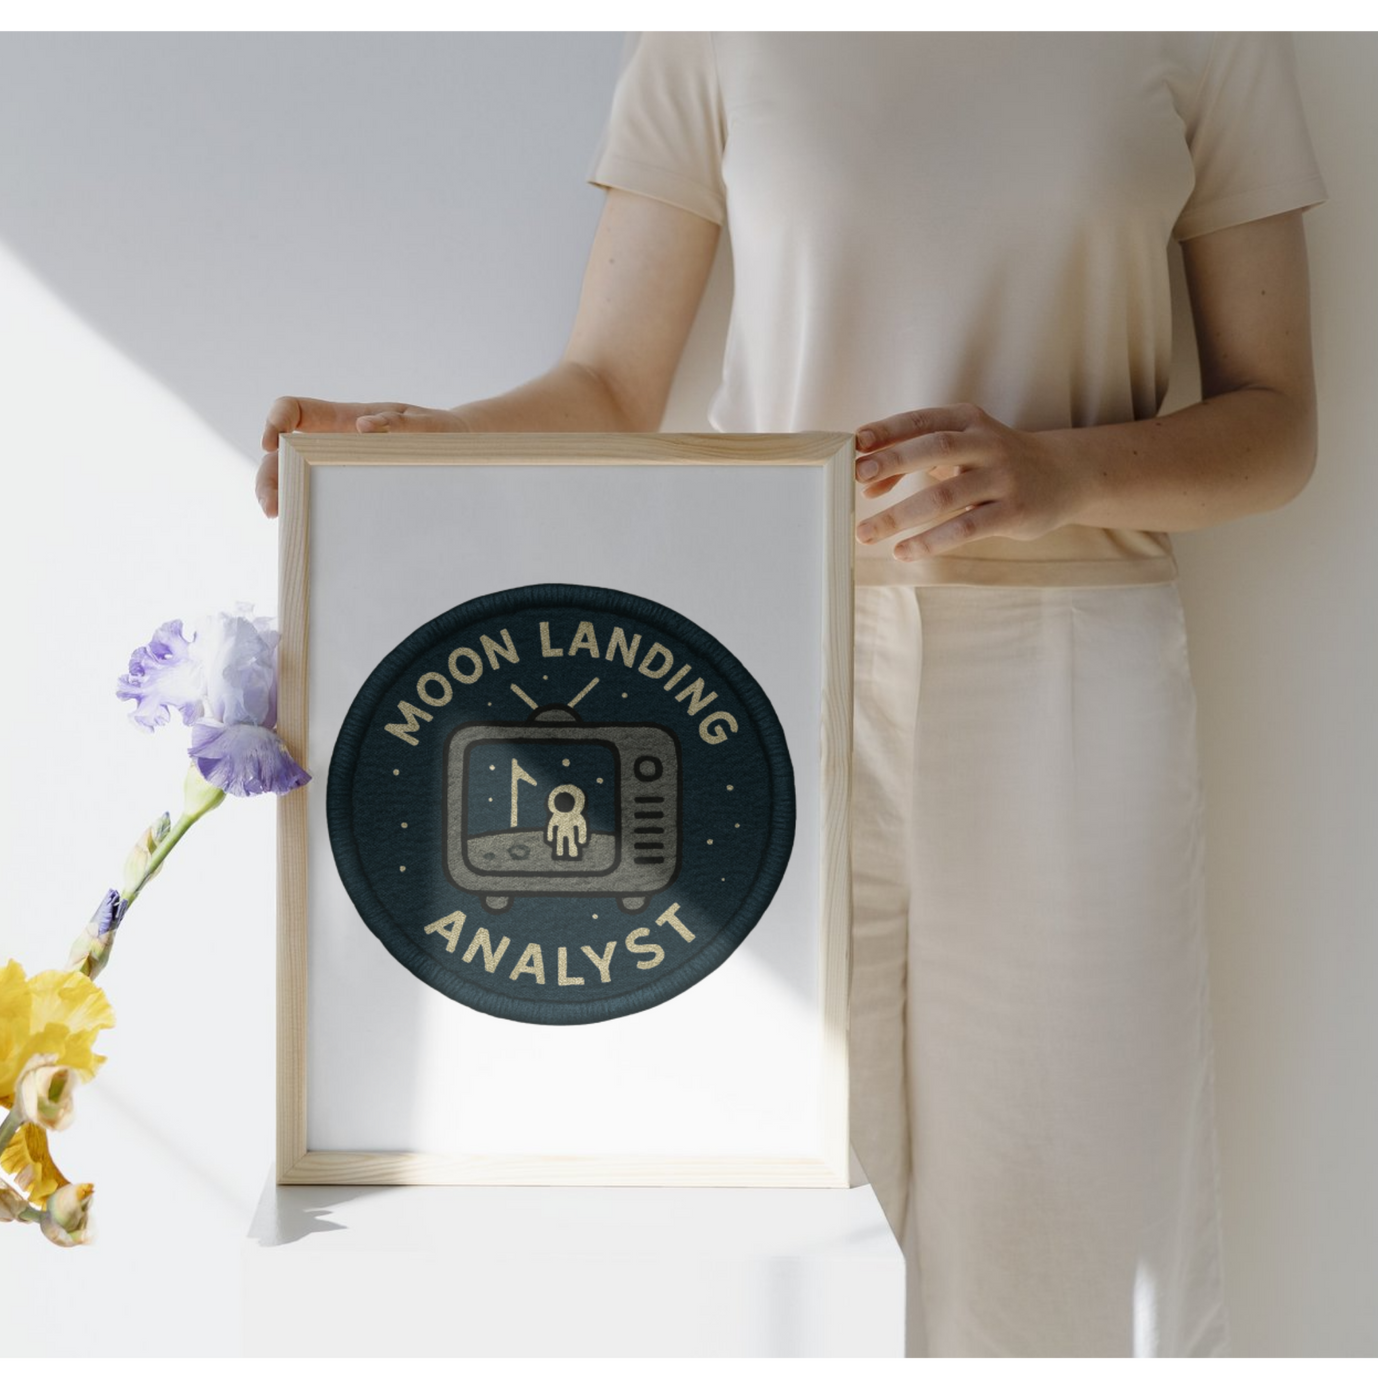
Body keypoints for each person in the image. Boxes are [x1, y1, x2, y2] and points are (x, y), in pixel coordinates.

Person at [253, 29, 1322, 1360]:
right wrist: (423, 445)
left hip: (1069, 668)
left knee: (1077, 1228)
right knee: (775, 1211)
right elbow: (608, 385)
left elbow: (1276, 422)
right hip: (766, 674)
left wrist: (1060, 473)